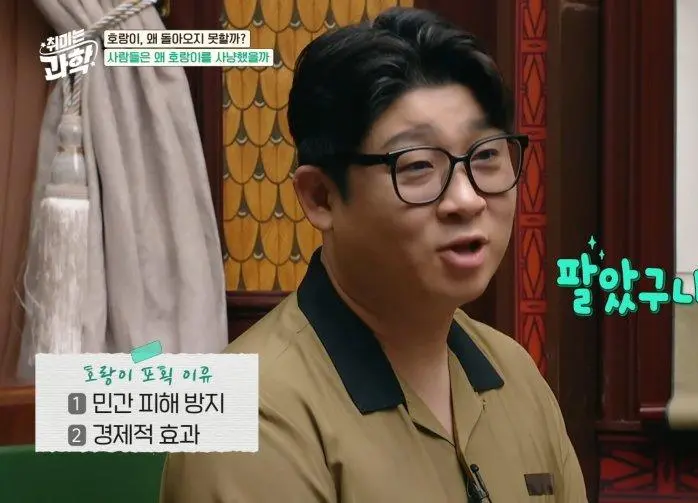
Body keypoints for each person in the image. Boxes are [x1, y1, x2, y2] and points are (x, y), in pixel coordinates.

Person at [160, 7, 587, 503]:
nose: (467, 199)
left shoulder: (514, 375)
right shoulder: (251, 418)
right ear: (321, 197)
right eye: (418, 166)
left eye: (487, 155)